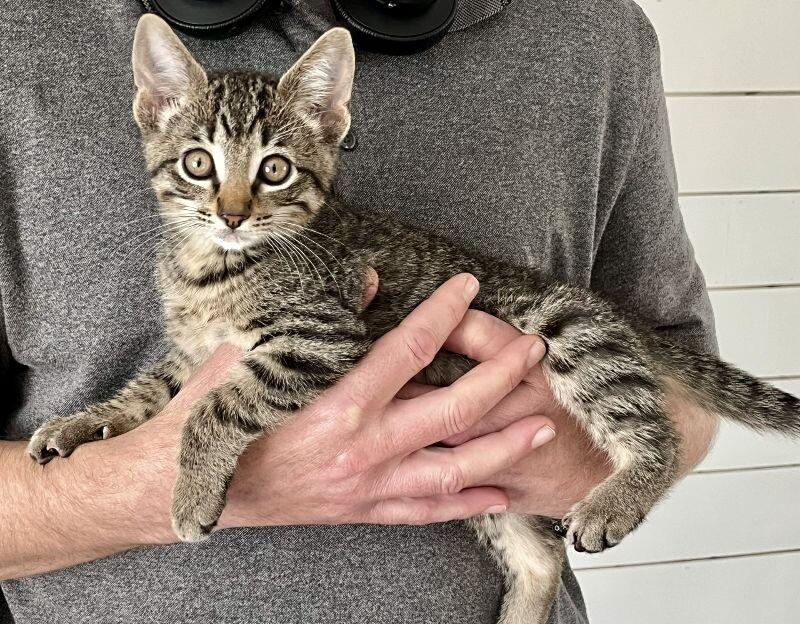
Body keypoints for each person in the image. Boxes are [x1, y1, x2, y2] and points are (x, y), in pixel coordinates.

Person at [0, 1, 720, 622]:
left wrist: (555, 447)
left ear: (328, 116)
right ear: (153, 107)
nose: (232, 208)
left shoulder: (594, 35)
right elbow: (198, 372)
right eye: (205, 170)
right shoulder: (23, 32)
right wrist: (138, 477)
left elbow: (685, 379)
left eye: (269, 173)